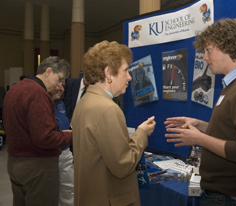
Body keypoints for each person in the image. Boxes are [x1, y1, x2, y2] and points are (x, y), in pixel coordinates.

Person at [164, 18, 236, 206]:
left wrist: (199, 138)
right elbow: (232, 133)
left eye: (208, 50)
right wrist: (201, 125)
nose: (204, 57)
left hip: (231, 199)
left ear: (227, 47)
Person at [72, 40, 156, 206]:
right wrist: (141, 134)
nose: (130, 77)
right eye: (125, 70)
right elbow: (123, 165)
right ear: (108, 73)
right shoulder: (107, 109)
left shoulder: (84, 101)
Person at [2, 56, 73, 206]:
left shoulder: (16, 88)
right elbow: (45, 138)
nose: (60, 85)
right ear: (48, 71)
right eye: (60, 79)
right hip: (38, 167)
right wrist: (71, 136)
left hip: (15, 162)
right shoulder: (38, 94)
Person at [49, 83, 74, 206]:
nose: (61, 88)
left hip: (66, 152)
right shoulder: (43, 104)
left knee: (69, 190)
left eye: (63, 85)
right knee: (50, 192)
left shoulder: (61, 104)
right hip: (51, 155)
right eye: (57, 85)